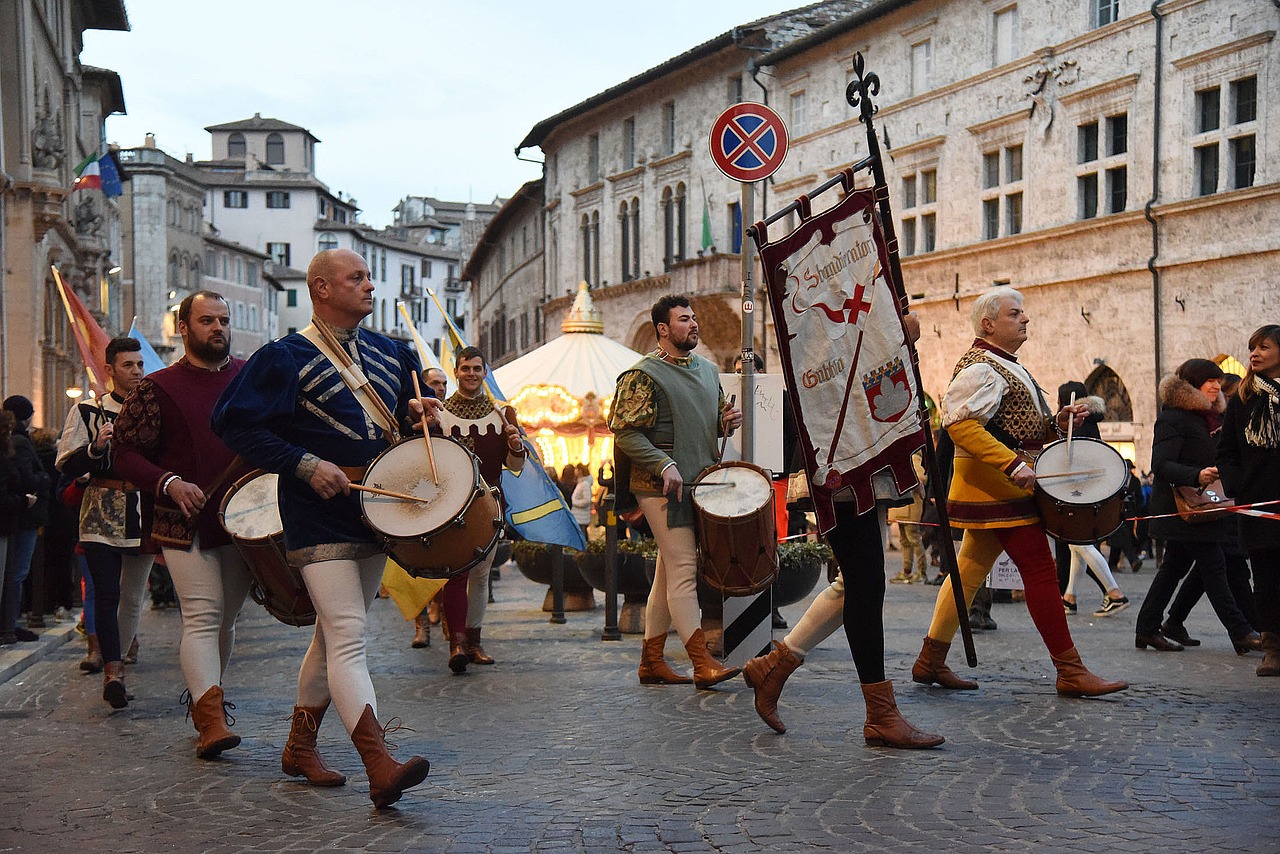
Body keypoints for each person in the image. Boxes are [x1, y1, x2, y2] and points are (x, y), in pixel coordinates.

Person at [212, 249, 433, 808]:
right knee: (348, 635)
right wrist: (303, 464)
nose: (369, 285)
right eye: (356, 278)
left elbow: (402, 418)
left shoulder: (392, 352)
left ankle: (299, 747)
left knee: (331, 634)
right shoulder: (284, 357)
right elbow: (232, 423)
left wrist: (420, 412)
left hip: (378, 511)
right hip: (316, 511)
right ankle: (378, 764)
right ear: (321, 288)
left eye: (367, 276)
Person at [910, 287, 1126, 697]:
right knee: (1042, 572)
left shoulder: (1004, 365)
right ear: (989, 324)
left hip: (995, 486)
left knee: (969, 571)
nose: (1025, 318)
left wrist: (1056, 424)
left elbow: (1015, 429)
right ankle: (1070, 670)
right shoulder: (980, 368)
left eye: (1023, 312)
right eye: (1015, 313)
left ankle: (930, 659)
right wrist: (1012, 464)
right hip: (998, 488)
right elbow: (961, 426)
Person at [741, 312, 943, 748]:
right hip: (839, 458)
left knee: (856, 581)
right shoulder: (819, 298)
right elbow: (832, 368)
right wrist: (893, 336)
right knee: (866, 582)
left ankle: (775, 667)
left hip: (863, 453)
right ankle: (879, 715)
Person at [113, 292, 252, 754]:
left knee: (227, 620)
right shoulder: (156, 387)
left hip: (243, 516)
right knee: (202, 615)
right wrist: (169, 482)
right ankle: (210, 722)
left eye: (224, 320)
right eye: (207, 320)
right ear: (184, 327)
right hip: (182, 519)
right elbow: (125, 453)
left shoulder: (250, 379)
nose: (218, 328)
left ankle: (209, 698)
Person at [610, 294, 743, 690]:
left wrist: (727, 421)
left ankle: (652, 660)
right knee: (684, 569)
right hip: (659, 486)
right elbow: (625, 431)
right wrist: (662, 463)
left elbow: (712, 420)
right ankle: (702, 662)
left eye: (694, 318)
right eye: (684, 319)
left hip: (698, 483)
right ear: (663, 329)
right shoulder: (642, 375)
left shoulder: (706, 370)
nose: (694, 324)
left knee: (669, 572)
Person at [1133, 359, 1261, 654]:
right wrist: (1197, 474)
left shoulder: (1210, 418)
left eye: (1218, 381)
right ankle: (1240, 631)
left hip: (1204, 508)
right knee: (1214, 567)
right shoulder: (1173, 419)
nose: (1216, 386)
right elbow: (1161, 465)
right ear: (1192, 384)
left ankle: (1147, 628)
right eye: (1210, 381)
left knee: (1173, 570)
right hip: (1184, 509)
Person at [54, 338, 152, 708]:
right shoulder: (87, 411)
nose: (137, 372)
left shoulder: (152, 411)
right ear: (110, 370)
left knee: (132, 597)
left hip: (142, 512)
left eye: (140, 365)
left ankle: (119, 661)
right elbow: (66, 464)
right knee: (107, 594)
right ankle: (113, 671)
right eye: (128, 365)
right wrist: (95, 450)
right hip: (101, 512)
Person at [430, 345, 524, 671]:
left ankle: (474, 640)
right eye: (465, 368)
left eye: (477, 369)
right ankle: (456, 642)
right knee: (456, 573)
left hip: (489, 505)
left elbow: (515, 466)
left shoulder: (502, 413)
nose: (471, 374)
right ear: (456, 372)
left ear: (485, 373)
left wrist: (515, 446)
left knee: (481, 576)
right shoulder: (440, 414)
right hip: (452, 506)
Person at [1218, 325, 1280, 675]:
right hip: (1257, 504)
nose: (1254, 354)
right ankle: (1273, 648)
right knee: (1267, 577)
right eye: (1252, 348)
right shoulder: (1244, 399)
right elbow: (1226, 451)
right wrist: (1238, 486)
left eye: (1264, 347)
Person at [0, 396, 51, 645]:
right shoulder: (20, 442)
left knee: (15, 572)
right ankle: (9, 625)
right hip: (24, 515)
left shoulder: (17, 440)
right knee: (16, 572)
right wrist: (44, 480)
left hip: (21, 514)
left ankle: (11, 623)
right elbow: (27, 478)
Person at [571, 463, 594, 542]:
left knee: (582, 536)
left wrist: (574, 502)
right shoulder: (581, 483)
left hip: (581, 516)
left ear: (580, 471)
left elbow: (586, 500)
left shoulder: (584, 485)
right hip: (579, 515)